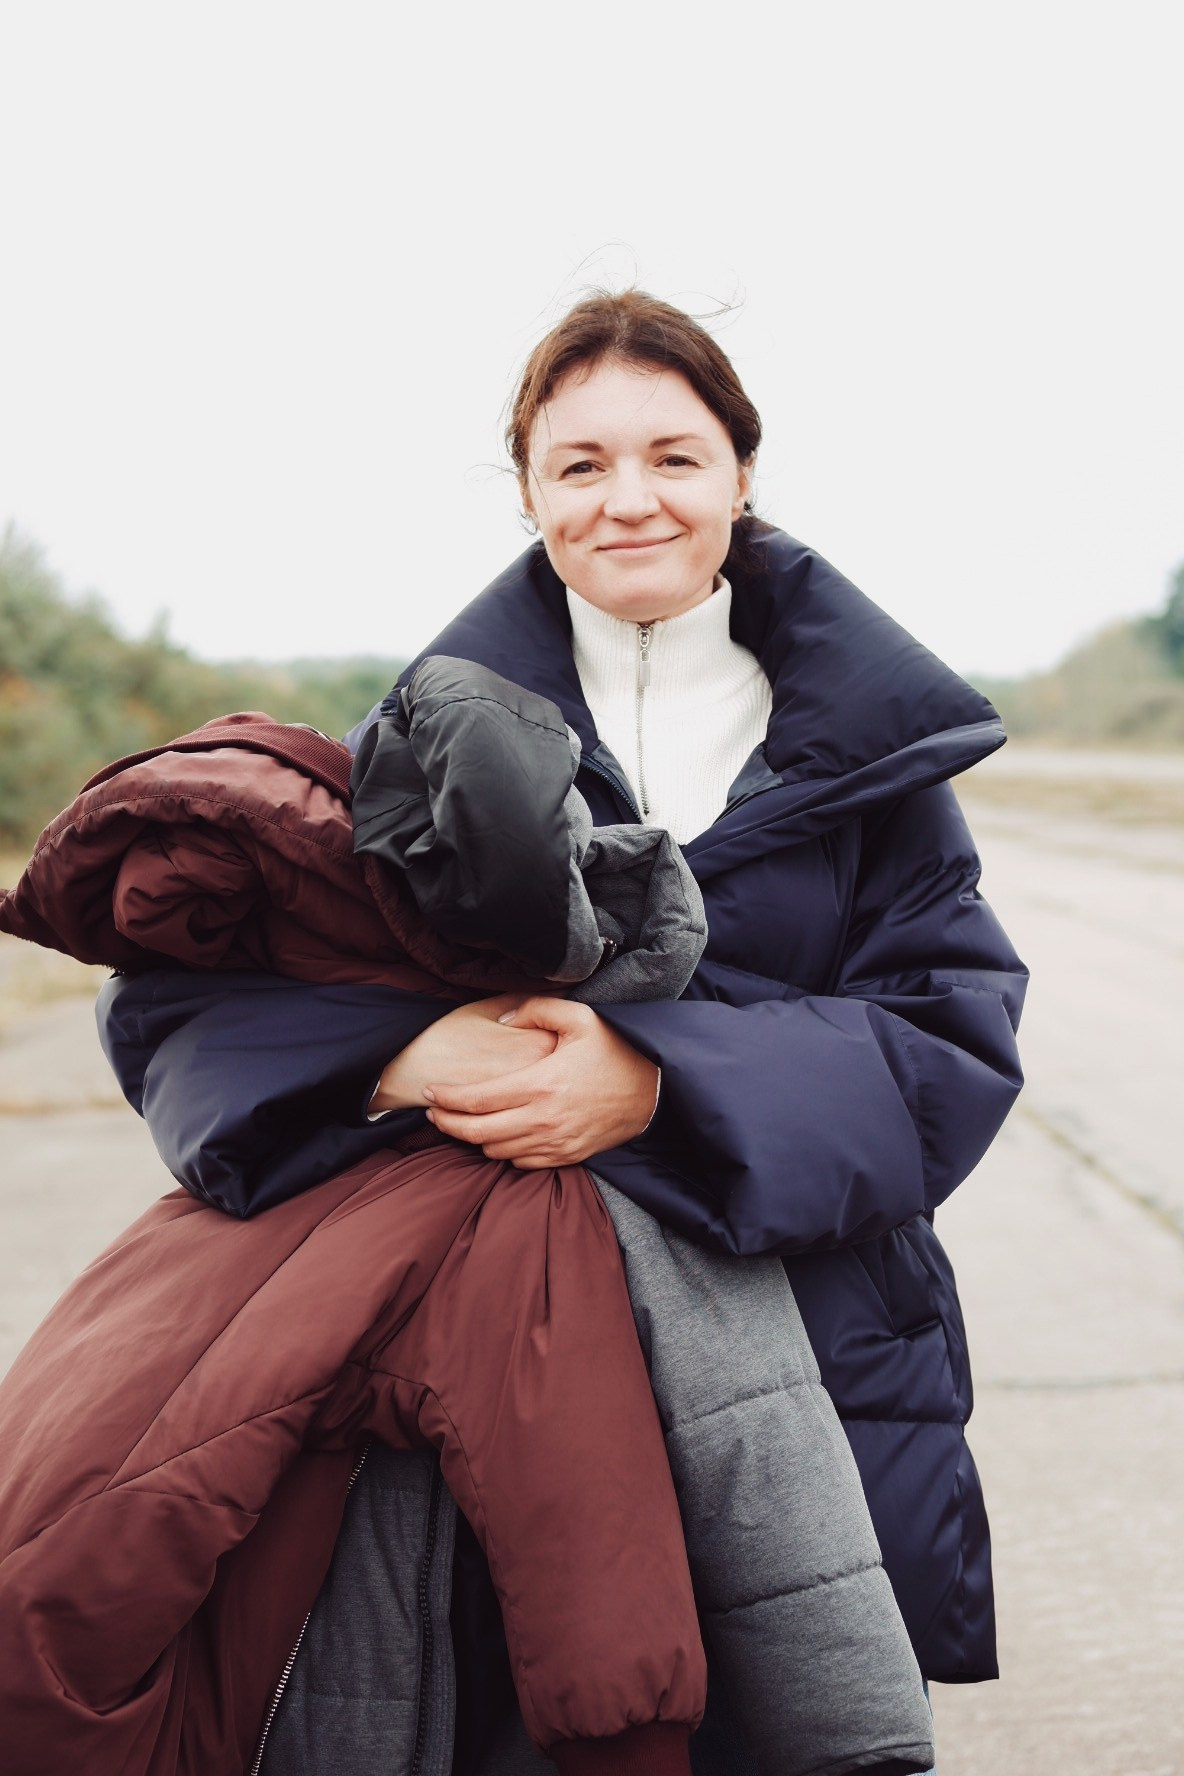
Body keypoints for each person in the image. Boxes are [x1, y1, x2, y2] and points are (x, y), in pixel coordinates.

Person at [93, 289, 1027, 1771]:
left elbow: (954, 1044)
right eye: (580, 465)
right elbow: (177, 1006)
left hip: (815, 1352)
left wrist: (657, 1083)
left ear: (740, 475)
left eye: (674, 455)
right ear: (528, 491)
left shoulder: (877, 767)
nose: (629, 499)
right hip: (503, 1385)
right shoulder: (417, 745)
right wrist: (393, 1062)